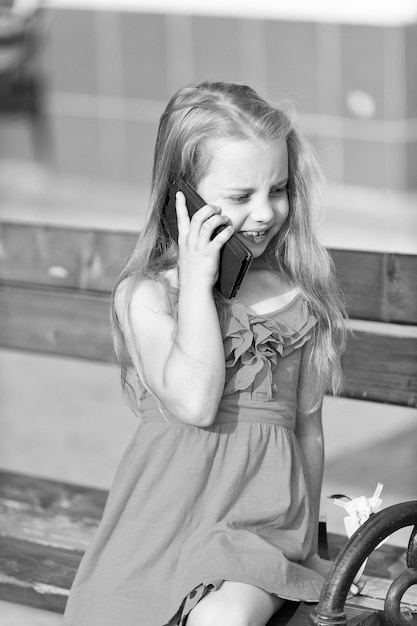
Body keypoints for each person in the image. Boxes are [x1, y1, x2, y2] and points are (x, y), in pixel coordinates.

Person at [63, 81, 347, 626]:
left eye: (279, 189)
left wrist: (308, 542)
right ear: (183, 199)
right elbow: (195, 402)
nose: (266, 213)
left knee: (222, 620)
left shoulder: (298, 300)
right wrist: (197, 285)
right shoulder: (147, 296)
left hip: (258, 528)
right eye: (240, 197)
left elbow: (308, 429)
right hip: (163, 520)